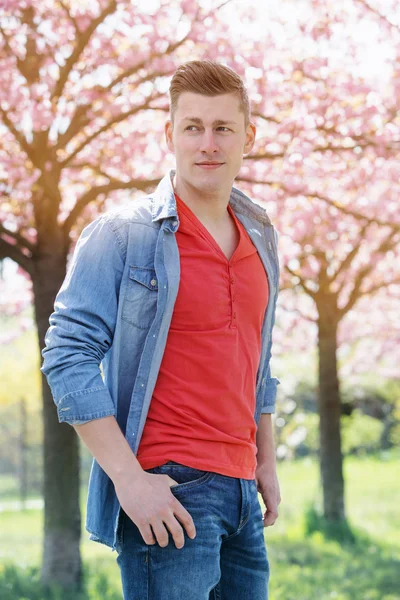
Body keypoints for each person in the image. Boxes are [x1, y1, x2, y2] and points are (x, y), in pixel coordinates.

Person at [41, 59, 281, 600]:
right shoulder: (124, 236)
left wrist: (264, 459)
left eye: (223, 128)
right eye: (192, 127)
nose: (208, 144)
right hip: (169, 491)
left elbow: (258, 360)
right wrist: (129, 480)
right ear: (168, 134)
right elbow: (67, 356)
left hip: (243, 494)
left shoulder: (261, 235)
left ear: (248, 136)